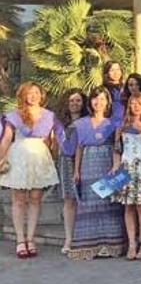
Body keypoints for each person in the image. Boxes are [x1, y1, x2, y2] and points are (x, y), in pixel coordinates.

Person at [0, 82, 61, 258]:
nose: (33, 96)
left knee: (35, 198)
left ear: (41, 95)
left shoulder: (49, 115)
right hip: (19, 155)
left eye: (36, 92)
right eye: (29, 93)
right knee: (18, 199)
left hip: (40, 156)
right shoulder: (14, 115)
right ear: (23, 96)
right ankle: (20, 240)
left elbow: (53, 140)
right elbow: (6, 139)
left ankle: (31, 238)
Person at [69, 87, 125, 260]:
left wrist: (116, 166)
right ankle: (89, 245)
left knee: (108, 201)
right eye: (95, 99)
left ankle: (110, 245)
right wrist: (76, 170)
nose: (98, 102)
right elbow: (79, 148)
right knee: (89, 201)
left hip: (107, 163)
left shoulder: (114, 123)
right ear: (90, 102)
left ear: (107, 102)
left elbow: (117, 147)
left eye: (102, 99)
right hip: (87, 163)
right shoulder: (81, 123)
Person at [111, 91, 141, 261]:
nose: (135, 106)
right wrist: (116, 165)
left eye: (139, 103)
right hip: (126, 167)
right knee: (128, 207)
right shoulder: (122, 124)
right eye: (133, 103)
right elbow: (117, 148)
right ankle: (131, 243)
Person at [57, 89, 88, 254]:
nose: (75, 104)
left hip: (86, 161)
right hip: (66, 162)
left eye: (78, 100)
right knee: (69, 200)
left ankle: (83, 236)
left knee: (85, 199)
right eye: (71, 101)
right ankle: (68, 239)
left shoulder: (87, 121)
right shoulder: (61, 123)